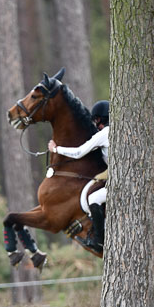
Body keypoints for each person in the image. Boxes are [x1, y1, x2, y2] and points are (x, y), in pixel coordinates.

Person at [48, 100, 109, 251]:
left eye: (96, 120)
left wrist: (56, 150)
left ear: (101, 119)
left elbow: (79, 152)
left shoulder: (105, 133)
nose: (96, 124)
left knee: (93, 198)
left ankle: (100, 241)